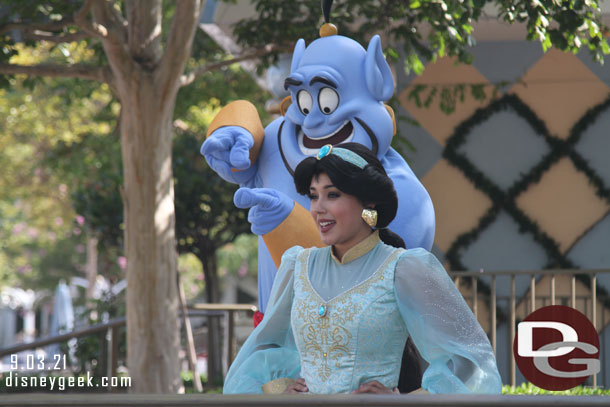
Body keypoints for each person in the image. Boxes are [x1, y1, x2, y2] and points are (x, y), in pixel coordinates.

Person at [223, 143, 502, 394]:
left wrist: (404, 402)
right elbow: (264, 352)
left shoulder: (404, 268)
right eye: (313, 195)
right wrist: (282, 390)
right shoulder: (297, 266)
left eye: (332, 195)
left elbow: (470, 360)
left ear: (368, 202)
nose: (317, 208)